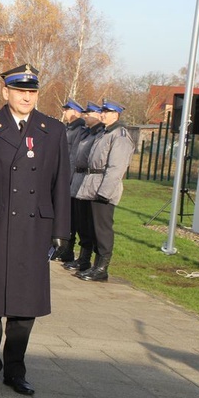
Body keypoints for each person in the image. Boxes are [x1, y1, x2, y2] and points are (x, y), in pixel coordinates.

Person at [0, 63, 71, 396]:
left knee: (25, 307)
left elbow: (60, 184)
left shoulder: (53, 130)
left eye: (32, 92)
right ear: (5, 92)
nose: (27, 97)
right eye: (20, 91)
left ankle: (15, 369)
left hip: (34, 229)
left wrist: (62, 231)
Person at [74, 99, 134, 282]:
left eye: (107, 112)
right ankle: (93, 264)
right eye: (103, 111)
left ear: (116, 114)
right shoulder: (104, 133)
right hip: (92, 184)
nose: (103, 114)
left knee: (102, 230)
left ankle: (102, 267)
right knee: (90, 227)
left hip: (103, 187)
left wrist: (105, 192)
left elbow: (116, 167)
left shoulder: (120, 135)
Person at [63, 102, 105, 273]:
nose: (86, 116)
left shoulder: (95, 134)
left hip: (86, 180)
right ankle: (82, 258)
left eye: (89, 113)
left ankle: (90, 261)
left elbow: (75, 159)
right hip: (79, 179)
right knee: (79, 222)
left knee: (90, 225)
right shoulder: (86, 133)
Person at [53, 99, 86, 262]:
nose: (64, 112)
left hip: (70, 178)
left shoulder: (78, 129)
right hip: (62, 175)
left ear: (75, 112)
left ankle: (67, 251)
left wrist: (67, 179)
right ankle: (62, 250)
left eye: (67, 110)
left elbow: (72, 157)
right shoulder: (68, 128)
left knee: (71, 217)